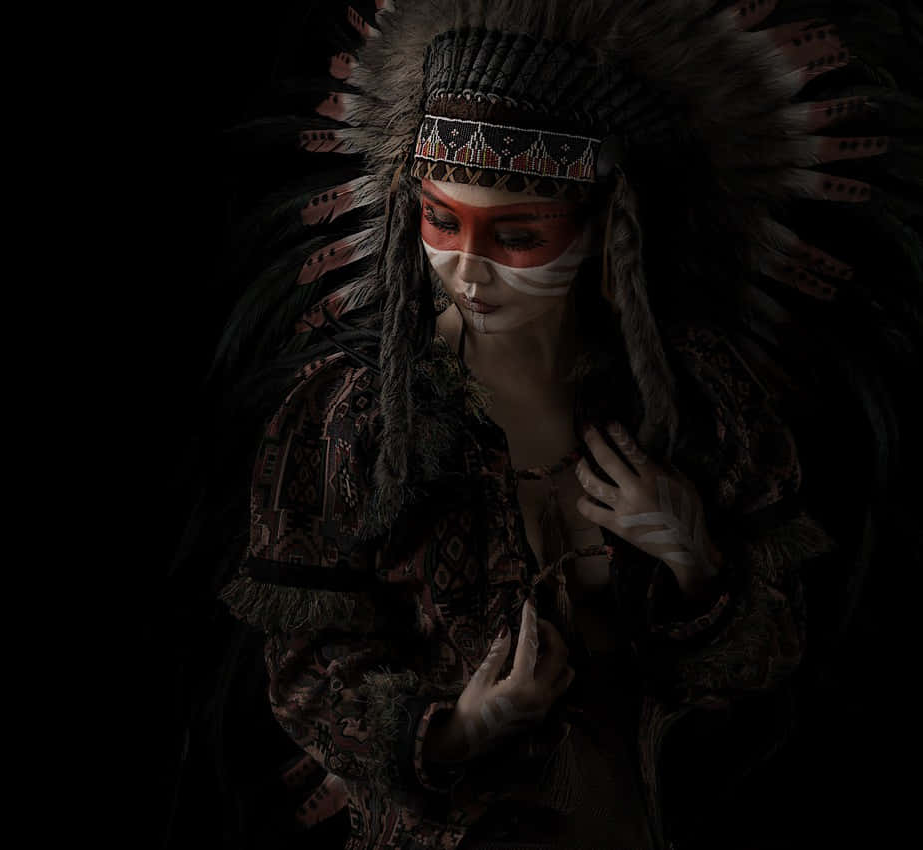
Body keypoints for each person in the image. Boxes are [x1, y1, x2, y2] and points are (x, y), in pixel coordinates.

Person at [164, 2, 922, 848]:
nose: (467, 270)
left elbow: (765, 658)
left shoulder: (689, 396)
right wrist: (460, 727)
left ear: (608, 229)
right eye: (441, 220)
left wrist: (696, 558)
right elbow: (309, 671)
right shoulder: (350, 417)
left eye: (519, 235)